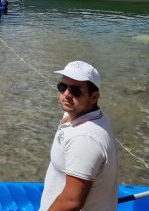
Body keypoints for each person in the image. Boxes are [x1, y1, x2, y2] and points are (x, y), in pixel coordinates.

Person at [39, 61, 118, 211]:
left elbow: (72, 201)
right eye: (62, 87)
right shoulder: (77, 113)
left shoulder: (85, 138)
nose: (66, 95)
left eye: (76, 91)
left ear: (94, 97)